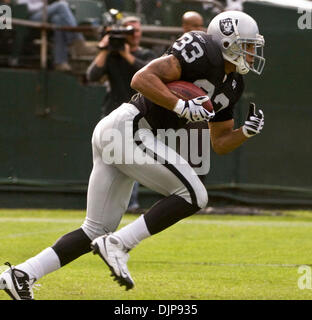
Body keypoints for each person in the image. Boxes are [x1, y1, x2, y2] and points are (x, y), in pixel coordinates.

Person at [0, 10, 265, 298]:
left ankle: (21, 274)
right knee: (194, 195)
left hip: (123, 134)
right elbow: (141, 78)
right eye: (248, 45)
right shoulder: (201, 50)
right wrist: (179, 106)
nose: (252, 53)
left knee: (95, 230)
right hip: (130, 126)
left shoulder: (234, 85)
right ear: (226, 42)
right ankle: (119, 244)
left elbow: (220, 142)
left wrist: (245, 133)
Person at [86, 15, 157, 212]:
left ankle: (129, 204)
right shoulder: (111, 56)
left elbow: (148, 75)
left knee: (132, 161)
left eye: (136, 30)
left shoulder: (148, 55)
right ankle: (104, 205)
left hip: (140, 117)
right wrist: (104, 50)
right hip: (111, 115)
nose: (133, 34)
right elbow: (92, 75)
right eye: (128, 30)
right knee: (108, 163)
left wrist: (127, 55)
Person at [16, 0, 96, 71]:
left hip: (46, 13)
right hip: (30, 17)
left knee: (58, 20)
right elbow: (24, 6)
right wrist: (44, 5)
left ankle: (60, 62)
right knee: (61, 5)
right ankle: (78, 44)